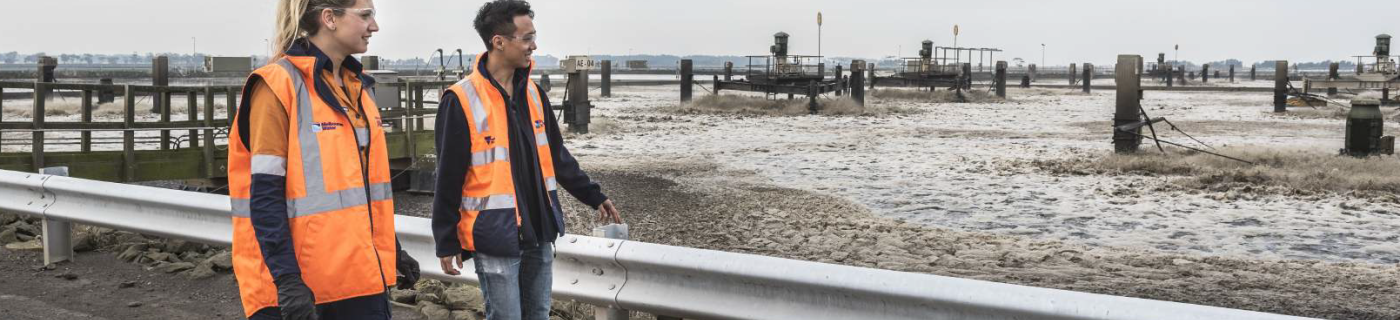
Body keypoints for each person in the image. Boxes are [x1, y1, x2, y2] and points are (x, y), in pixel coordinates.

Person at [431, 1, 623, 319]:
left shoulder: (534, 94)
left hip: (539, 230)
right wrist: (445, 239)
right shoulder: (461, 100)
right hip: (494, 235)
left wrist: (594, 195)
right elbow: (448, 177)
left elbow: (558, 157)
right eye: (527, 38)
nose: (534, 45)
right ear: (499, 42)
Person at [228, 0, 418, 319]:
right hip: (301, 288)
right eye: (365, 16)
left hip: (360, 280)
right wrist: (288, 281)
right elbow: (264, 198)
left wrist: (394, 250)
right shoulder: (277, 86)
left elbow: (364, 189)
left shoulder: (358, 90)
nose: (375, 26)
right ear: (329, 18)